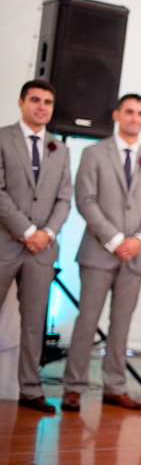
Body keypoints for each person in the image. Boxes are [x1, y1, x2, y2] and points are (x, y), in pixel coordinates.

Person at [62, 94, 141, 412]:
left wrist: (140, 240)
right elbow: (85, 199)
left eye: (140, 113)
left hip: (136, 256)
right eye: (129, 112)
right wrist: (116, 238)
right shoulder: (93, 153)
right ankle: (74, 386)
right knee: (88, 319)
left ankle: (114, 386)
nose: (135, 117)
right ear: (117, 115)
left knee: (122, 323)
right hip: (98, 253)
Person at [0, 80, 71, 413]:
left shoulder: (61, 148)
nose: (42, 106)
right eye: (35, 100)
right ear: (21, 102)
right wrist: (27, 230)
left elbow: (64, 199)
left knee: (34, 321)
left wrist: (47, 233)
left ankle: (30, 388)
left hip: (43, 249)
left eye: (48, 102)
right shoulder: (3, 138)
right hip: (6, 243)